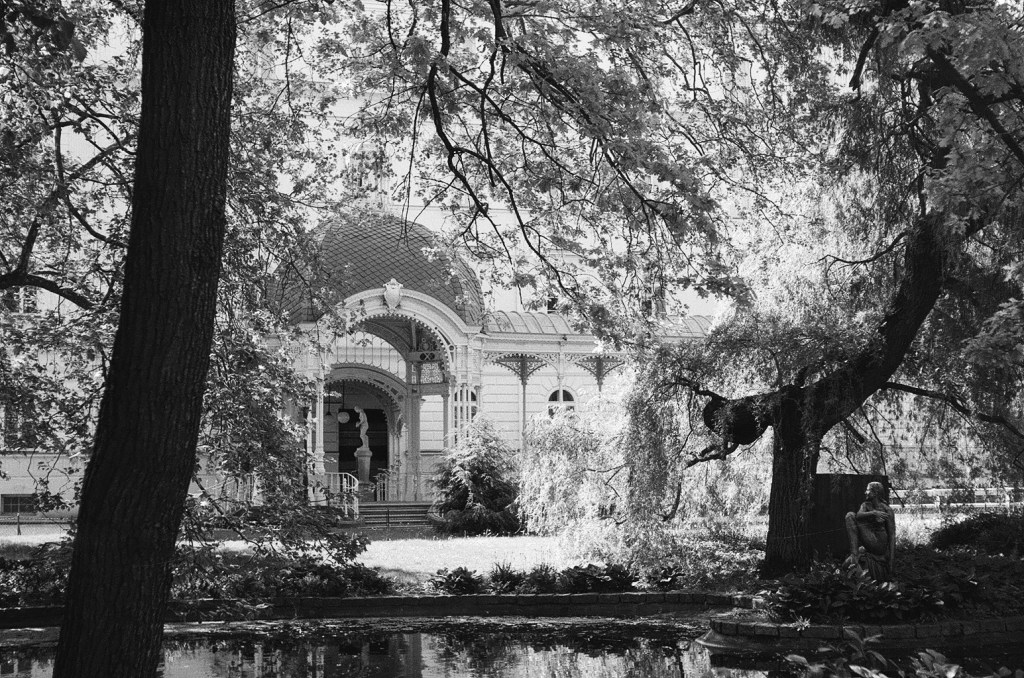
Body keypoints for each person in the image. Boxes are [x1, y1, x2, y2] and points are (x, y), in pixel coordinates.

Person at [844, 481, 896, 581]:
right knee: (850, 516)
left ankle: (854, 557)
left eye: (867, 490)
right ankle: (854, 555)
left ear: (875, 493)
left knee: (850, 516)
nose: (865, 492)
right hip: (870, 538)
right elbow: (858, 515)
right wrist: (873, 513)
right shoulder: (865, 505)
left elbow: (892, 535)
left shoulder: (887, 510)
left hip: (879, 544)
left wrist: (891, 561)